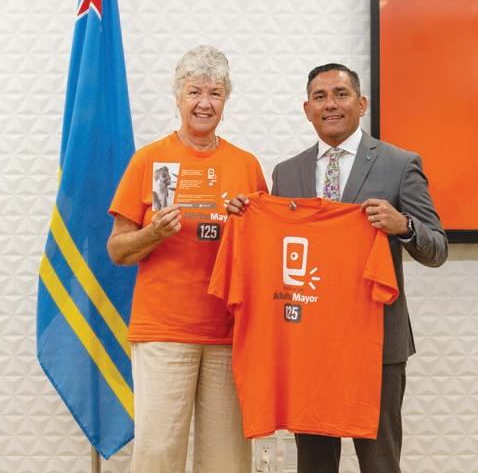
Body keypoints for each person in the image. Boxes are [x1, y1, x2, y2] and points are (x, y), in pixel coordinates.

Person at [227, 63, 448, 472]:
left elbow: (437, 249)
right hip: (309, 343)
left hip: (376, 343)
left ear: (361, 104)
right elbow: (281, 247)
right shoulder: (287, 172)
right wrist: (248, 214)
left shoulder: (400, 164)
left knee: (379, 463)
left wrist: (404, 225)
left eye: (341, 94)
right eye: (320, 97)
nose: (330, 104)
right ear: (307, 109)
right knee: (314, 463)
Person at [107, 45, 267, 473]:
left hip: (229, 333)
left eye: (215, 93)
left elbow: (264, 253)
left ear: (226, 100)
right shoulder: (149, 160)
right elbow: (117, 250)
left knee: (227, 460)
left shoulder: (246, 165)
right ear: (178, 97)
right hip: (163, 331)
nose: (204, 103)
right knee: (158, 456)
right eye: (195, 92)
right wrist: (153, 233)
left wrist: (246, 226)